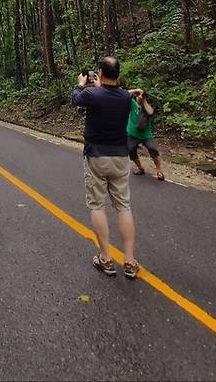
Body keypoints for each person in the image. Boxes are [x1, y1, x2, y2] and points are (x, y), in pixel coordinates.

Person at [72, 56, 141, 279]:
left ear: (99, 73)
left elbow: (76, 99)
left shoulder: (92, 94)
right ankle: (129, 261)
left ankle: (106, 258)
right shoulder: (124, 97)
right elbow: (121, 93)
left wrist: (80, 84)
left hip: (96, 156)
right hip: (121, 157)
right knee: (123, 206)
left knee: (97, 205)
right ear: (117, 74)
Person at [127, 89, 165, 181]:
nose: (139, 97)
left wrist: (143, 101)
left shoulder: (146, 107)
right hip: (132, 133)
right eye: (138, 96)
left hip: (145, 134)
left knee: (153, 149)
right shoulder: (132, 104)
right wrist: (136, 90)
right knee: (131, 150)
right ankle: (140, 168)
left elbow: (150, 112)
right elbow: (124, 94)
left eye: (141, 96)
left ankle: (159, 171)